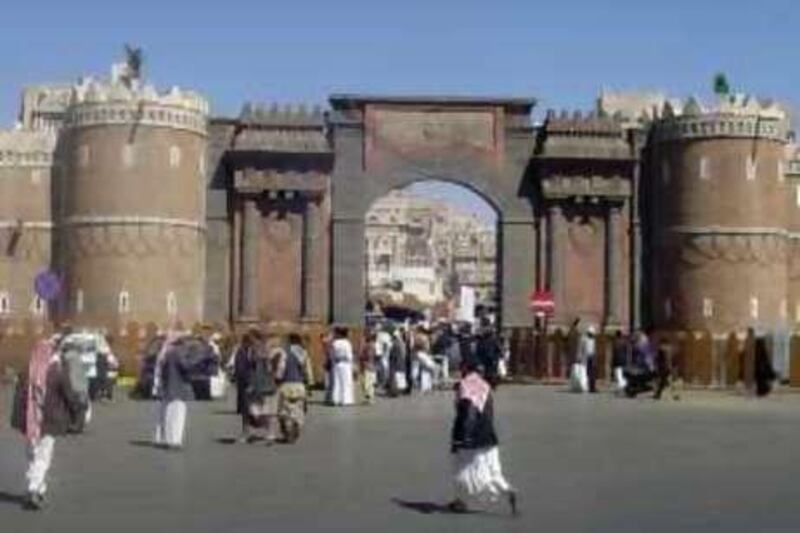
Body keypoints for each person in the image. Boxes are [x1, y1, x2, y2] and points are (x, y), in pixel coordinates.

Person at [11, 339, 82, 510]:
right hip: (50, 421)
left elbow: (18, 399)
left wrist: (16, 419)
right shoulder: (56, 372)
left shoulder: (26, 371)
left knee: (32, 455)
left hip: (30, 422)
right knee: (42, 457)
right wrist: (76, 413)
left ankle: (39, 488)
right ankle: (33, 489)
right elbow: (69, 394)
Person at [448, 359, 517, 516]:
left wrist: (461, 438)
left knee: (463, 469)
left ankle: (460, 502)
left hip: (471, 436)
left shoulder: (465, 385)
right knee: (493, 470)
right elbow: (489, 412)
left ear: (465, 369)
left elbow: (468, 412)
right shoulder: (484, 385)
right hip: (489, 435)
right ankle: (507, 490)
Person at [152, 331, 194, 449]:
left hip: (168, 388)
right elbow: (185, 367)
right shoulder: (177, 353)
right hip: (178, 388)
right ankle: (175, 440)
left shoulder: (165, 353)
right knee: (178, 416)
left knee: (169, 416)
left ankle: (168, 438)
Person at [239, 331, 279, 443]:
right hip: (261, 384)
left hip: (261, 384)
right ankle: (266, 431)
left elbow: (266, 369)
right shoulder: (253, 351)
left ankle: (268, 432)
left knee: (260, 410)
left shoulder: (259, 351)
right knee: (259, 410)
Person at [275, 334, 314, 443]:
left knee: (284, 410)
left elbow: (281, 368)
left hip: (286, 385)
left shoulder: (284, 352)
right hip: (300, 386)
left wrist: (277, 378)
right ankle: (297, 424)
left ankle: (287, 433)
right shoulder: (304, 353)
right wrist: (310, 384)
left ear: (289, 341)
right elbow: (308, 371)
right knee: (299, 409)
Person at [329, 327, 355, 406]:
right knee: (346, 382)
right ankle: (346, 400)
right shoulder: (347, 343)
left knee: (337, 382)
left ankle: (336, 399)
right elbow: (349, 356)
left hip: (337, 364)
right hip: (346, 364)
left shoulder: (335, 343)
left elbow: (332, 355)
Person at [388, 325, 408, 397]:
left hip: (396, 362)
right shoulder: (401, 343)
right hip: (400, 362)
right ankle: (398, 390)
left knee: (396, 377)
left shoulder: (396, 344)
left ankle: (395, 391)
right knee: (399, 377)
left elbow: (394, 354)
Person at [359, 330, 378, 404]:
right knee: (369, 383)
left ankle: (369, 398)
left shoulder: (369, 345)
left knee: (366, 383)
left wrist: (363, 357)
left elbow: (366, 355)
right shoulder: (372, 345)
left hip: (368, 366)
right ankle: (370, 398)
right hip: (371, 366)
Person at [582, 325, 598, 393]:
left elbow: (594, 350)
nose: (591, 335)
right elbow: (582, 349)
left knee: (592, 373)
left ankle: (592, 387)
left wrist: (595, 358)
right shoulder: (584, 339)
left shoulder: (593, 340)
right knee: (586, 373)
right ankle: (586, 386)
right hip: (586, 357)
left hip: (592, 357)